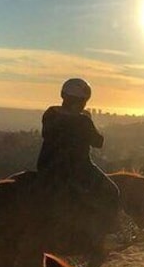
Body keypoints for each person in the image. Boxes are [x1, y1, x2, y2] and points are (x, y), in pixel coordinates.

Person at [37, 78, 120, 219]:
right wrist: (89, 120)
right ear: (82, 101)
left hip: (46, 166)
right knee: (112, 191)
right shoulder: (83, 121)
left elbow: (46, 134)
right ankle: (105, 228)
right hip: (78, 169)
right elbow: (98, 142)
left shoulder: (50, 113)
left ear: (63, 95)